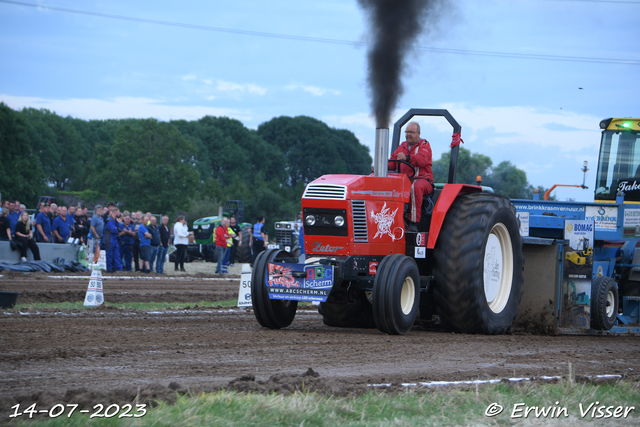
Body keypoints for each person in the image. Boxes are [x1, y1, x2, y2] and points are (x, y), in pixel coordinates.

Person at [388, 121, 433, 231]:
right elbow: (393, 162)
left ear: (418, 133)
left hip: (422, 180)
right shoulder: (402, 146)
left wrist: (407, 158)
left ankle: (413, 222)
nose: (408, 134)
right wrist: (382, 165)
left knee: (415, 187)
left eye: (411, 132)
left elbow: (421, 160)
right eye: (407, 132)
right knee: (388, 184)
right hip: (404, 180)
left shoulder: (424, 145)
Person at [104, 207, 123, 272]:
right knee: (110, 254)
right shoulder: (109, 220)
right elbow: (113, 230)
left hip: (115, 239)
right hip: (109, 239)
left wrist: (117, 228)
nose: (119, 213)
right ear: (116, 212)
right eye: (119, 212)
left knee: (117, 254)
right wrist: (117, 229)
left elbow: (121, 228)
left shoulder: (115, 221)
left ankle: (118, 268)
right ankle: (110, 268)